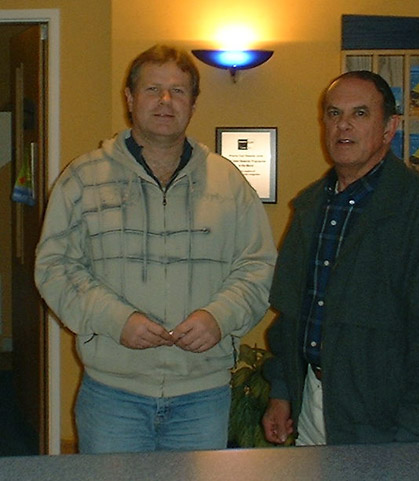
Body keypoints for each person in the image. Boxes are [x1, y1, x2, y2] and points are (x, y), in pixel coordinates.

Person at [35, 45, 276, 454]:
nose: (166, 101)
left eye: (179, 91)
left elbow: (257, 266)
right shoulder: (82, 178)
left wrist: (218, 317)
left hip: (203, 396)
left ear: (193, 104)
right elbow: (55, 266)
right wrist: (116, 319)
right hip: (113, 395)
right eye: (153, 89)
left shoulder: (229, 183)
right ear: (130, 99)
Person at [262, 70, 419, 446]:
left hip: (388, 425)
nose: (344, 126)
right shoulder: (311, 207)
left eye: (360, 114)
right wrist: (284, 390)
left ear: (390, 127)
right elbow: (295, 316)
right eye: (334, 113)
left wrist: (416, 436)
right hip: (313, 410)